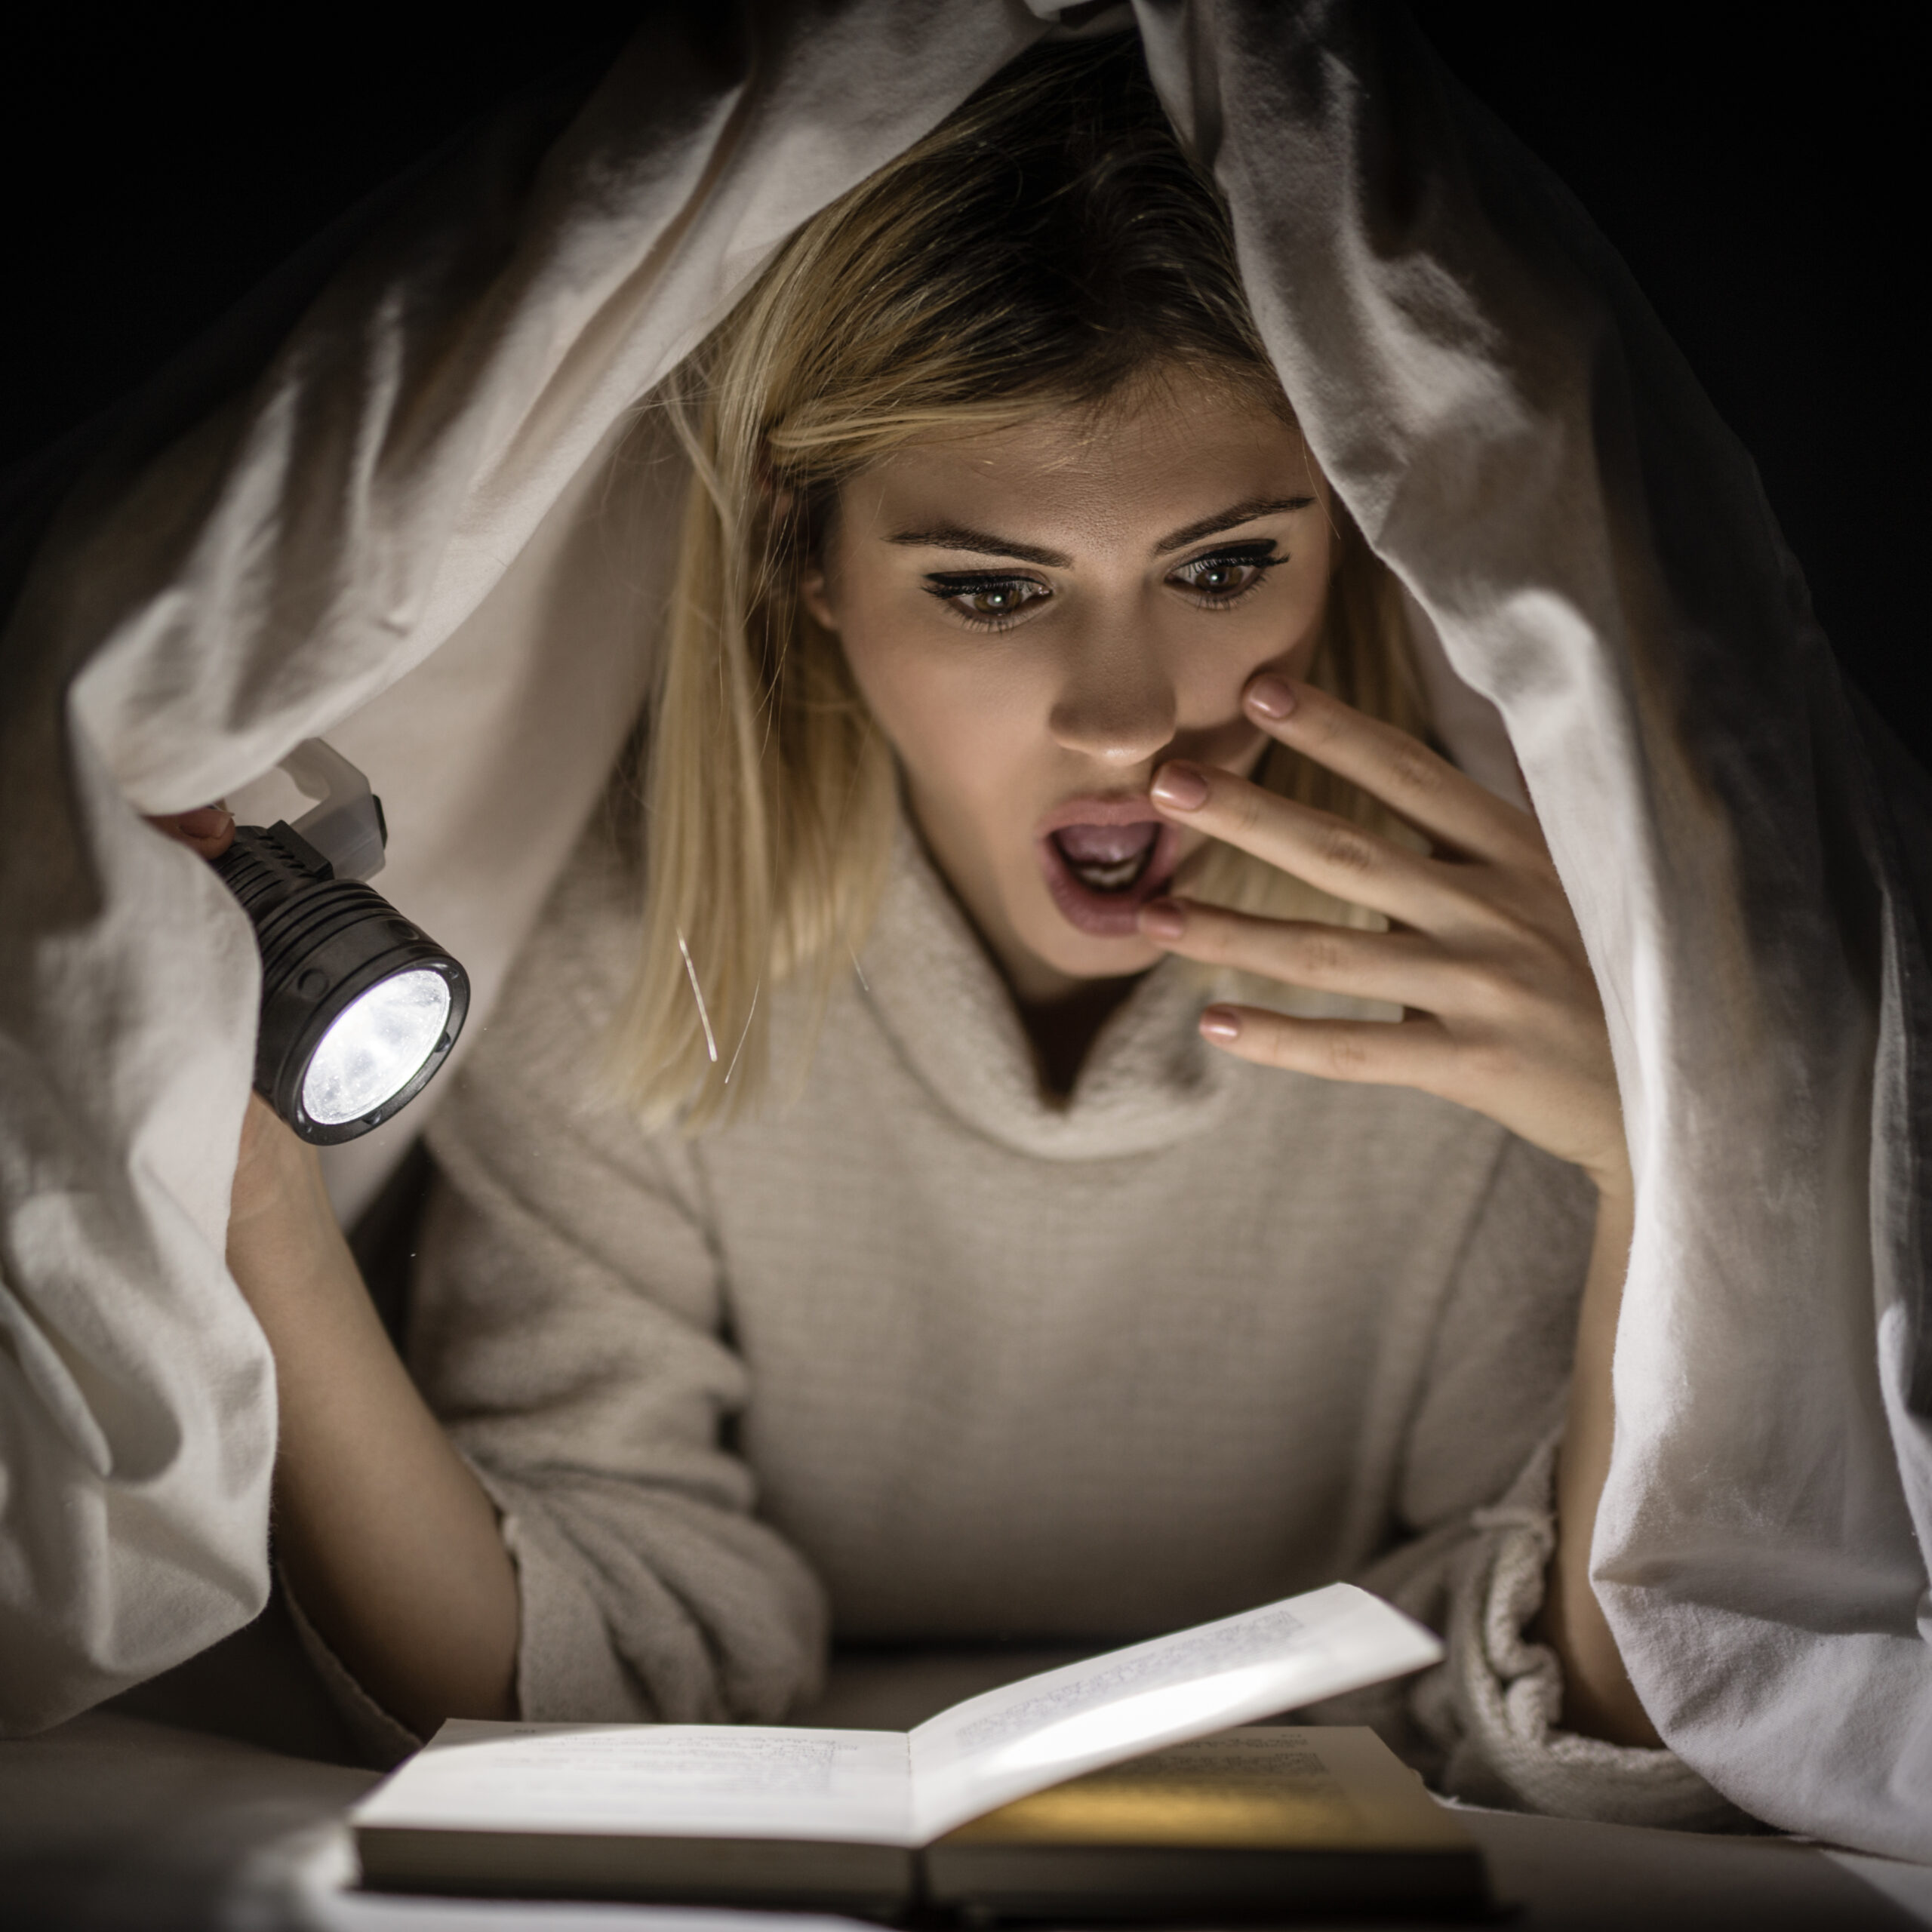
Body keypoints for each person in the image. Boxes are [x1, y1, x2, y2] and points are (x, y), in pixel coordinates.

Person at [143, 38, 1732, 1826]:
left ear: (1351, 538)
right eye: (989, 588)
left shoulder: (1477, 982)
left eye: (1223, 567)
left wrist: (1632, 1153)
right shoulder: (622, 947)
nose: (1127, 715)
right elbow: (542, 1669)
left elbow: (1590, 1698)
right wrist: (255, 1207)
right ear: (808, 565)